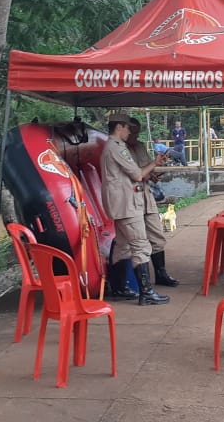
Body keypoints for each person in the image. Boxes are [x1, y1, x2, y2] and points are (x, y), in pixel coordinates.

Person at [100, 113, 170, 305]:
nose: (130, 132)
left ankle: (119, 287)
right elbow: (137, 175)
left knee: (122, 246)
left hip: (122, 203)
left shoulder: (113, 146)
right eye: (128, 128)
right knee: (141, 245)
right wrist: (154, 163)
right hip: (126, 204)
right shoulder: (116, 147)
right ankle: (146, 292)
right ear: (119, 127)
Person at [126, 117, 180, 287]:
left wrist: (153, 173)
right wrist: (149, 169)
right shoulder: (119, 149)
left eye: (137, 132)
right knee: (136, 242)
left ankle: (161, 273)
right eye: (132, 132)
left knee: (157, 235)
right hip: (130, 198)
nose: (135, 135)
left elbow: (146, 168)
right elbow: (135, 174)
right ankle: (136, 284)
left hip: (146, 194)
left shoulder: (140, 146)